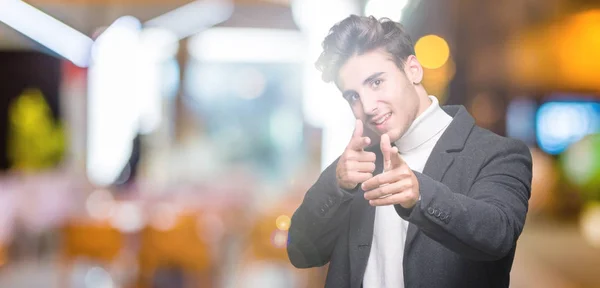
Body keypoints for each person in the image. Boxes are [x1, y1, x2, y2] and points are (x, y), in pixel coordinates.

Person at [286, 15, 532, 288]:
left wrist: (420, 196)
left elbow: (498, 235)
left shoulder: (499, 154)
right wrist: (337, 185)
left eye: (376, 82)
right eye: (353, 96)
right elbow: (300, 251)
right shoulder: (358, 164)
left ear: (413, 69)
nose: (367, 106)